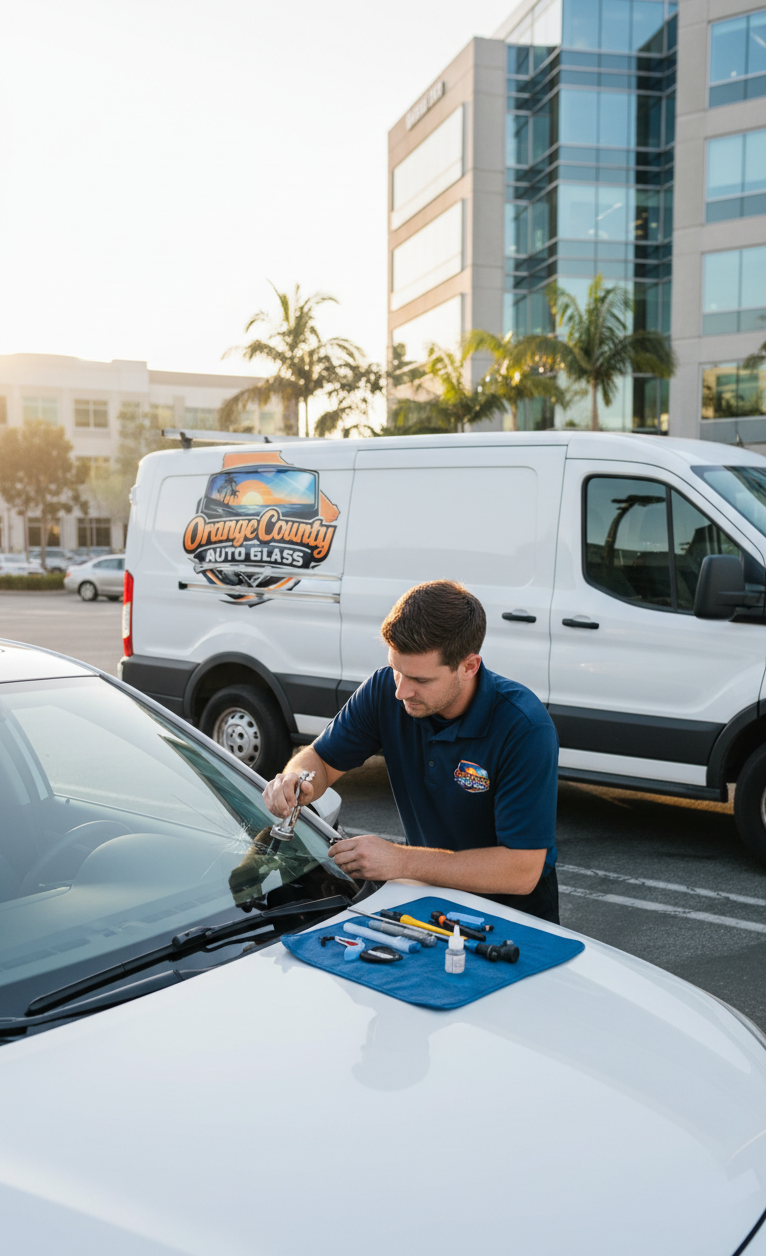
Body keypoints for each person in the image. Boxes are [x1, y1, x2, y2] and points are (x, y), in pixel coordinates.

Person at [263, 580, 560, 922]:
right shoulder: (383, 690)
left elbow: (522, 870)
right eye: (396, 670)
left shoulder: (523, 728)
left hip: (510, 914)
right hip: (425, 896)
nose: (402, 691)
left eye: (420, 680)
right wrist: (295, 778)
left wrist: (401, 860)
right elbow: (321, 761)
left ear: (469, 666)